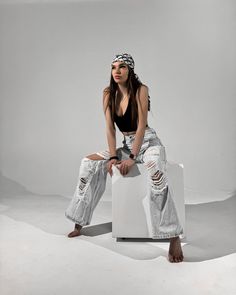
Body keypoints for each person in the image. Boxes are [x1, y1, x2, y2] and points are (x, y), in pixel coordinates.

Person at [65, 53, 184, 263]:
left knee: (155, 170)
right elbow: (110, 128)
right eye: (113, 67)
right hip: (125, 145)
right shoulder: (107, 93)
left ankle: (172, 235)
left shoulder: (141, 90)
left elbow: (140, 126)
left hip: (149, 143)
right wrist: (113, 156)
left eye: (122, 67)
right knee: (88, 162)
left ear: (130, 70)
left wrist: (132, 157)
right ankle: (78, 221)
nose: (117, 71)